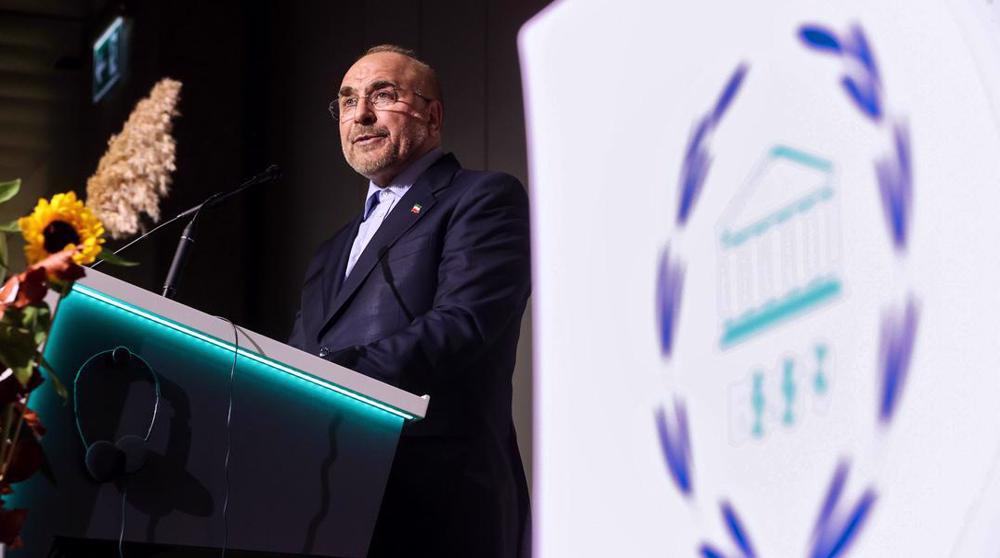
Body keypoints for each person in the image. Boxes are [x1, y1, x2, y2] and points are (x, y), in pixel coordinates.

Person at [288, 44, 531, 558]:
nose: (362, 114)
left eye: (383, 95)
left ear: (432, 115)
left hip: (441, 504)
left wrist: (334, 374)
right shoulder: (330, 253)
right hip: (331, 506)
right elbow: (301, 356)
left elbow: (463, 324)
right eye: (348, 100)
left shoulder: (482, 199)